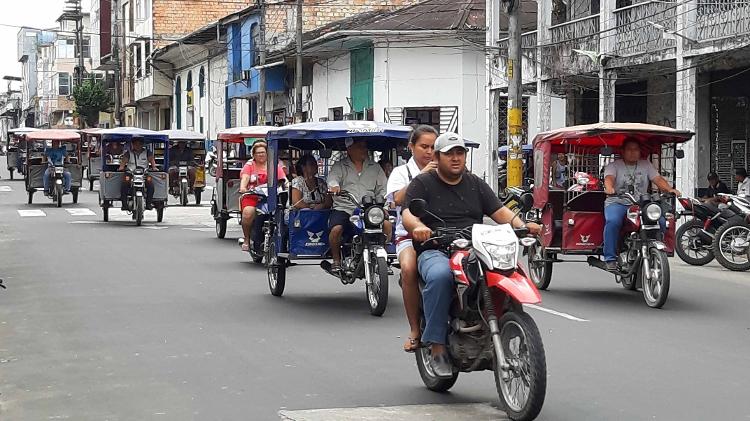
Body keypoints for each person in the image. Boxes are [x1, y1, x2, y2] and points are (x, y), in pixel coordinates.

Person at [402, 132, 541, 377]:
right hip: (437, 247)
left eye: (460, 153)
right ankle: (436, 347)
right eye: (449, 154)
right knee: (440, 276)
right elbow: (408, 214)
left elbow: (498, 211)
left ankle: (506, 322)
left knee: (508, 270)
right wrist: (418, 227)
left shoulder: (475, 183)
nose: (455, 158)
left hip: (473, 245)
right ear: (437, 157)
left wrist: (522, 225)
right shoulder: (423, 184)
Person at [385, 125, 438, 352]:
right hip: (408, 236)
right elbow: (395, 199)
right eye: (424, 146)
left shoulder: (444, 169)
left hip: (443, 234)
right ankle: (415, 329)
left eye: (433, 147)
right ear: (411, 147)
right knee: (408, 268)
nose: (429, 152)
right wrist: (424, 176)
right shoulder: (401, 173)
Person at [602, 138, 680, 271]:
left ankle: (654, 249)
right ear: (623, 151)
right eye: (629, 149)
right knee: (613, 221)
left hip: (641, 204)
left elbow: (658, 179)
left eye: (636, 150)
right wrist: (609, 188)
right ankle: (610, 258)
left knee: (660, 221)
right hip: (618, 202)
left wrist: (669, 189)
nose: (633, 152)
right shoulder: (614, 166)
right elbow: (609, 179)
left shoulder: (646, 165)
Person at [327, 138, 391, 273]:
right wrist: (335, 186)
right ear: (349, 149)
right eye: (360, 146)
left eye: (365, 146)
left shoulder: (375, 167)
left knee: (387, 225)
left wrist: (384, 207)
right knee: (336, 229)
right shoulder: (339, 166)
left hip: (369, 209)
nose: (364, 149)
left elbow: (383, 189)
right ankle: (336, 260)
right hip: (345, 208)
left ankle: (383, 258)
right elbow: (333, 179)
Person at [239, 141, 286, 252]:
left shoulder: (274, 164)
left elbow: (283, 179)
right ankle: (247, 238)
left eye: (263, 152)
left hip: (270, 196)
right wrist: (243, 187)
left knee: (283, 213)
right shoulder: (249, 165)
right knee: (247, 213)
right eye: (258, 153)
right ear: (254, 155)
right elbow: (245, 178)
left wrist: (287, 186)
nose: (261, 155)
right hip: (253, 196)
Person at [118, 137, 158, 211]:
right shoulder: (128, 153)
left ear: (142, 144)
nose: (137, 146)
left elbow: (152, 160)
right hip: (130, 173)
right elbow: (123, 162)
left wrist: (154, 167)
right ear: (132, 144)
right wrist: (121, 167)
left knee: (150, 185)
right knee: (124, 184)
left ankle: (149, 203)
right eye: (135, 144)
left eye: (139, 144)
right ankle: (124, 204)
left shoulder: (147, 152)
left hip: (144, 174)